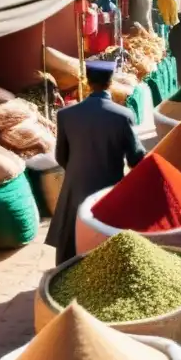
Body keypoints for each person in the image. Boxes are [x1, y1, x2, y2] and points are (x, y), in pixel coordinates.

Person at [47, 60, 146, 265]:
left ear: (88, 83)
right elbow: (135, 157)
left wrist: (79, 169)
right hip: (108, 188)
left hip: (76, 187)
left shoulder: (66, 115)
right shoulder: (123, 115)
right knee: (105, 242)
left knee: (73, 243)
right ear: (111, 83)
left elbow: (60, 156)